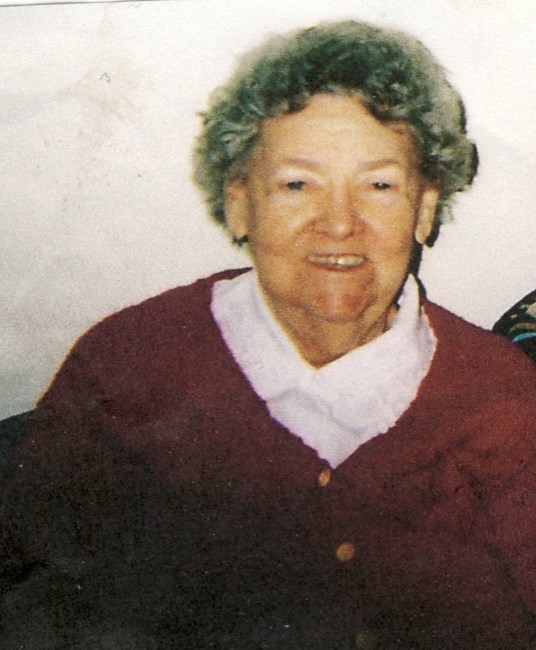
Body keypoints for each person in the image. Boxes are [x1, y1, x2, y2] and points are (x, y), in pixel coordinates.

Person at [1, 20, 535, 650]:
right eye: (297, 184)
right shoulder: (127, 365)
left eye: (379, 185)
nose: (339, 224)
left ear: (423, 208)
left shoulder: (503, 397)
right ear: (238, 203)